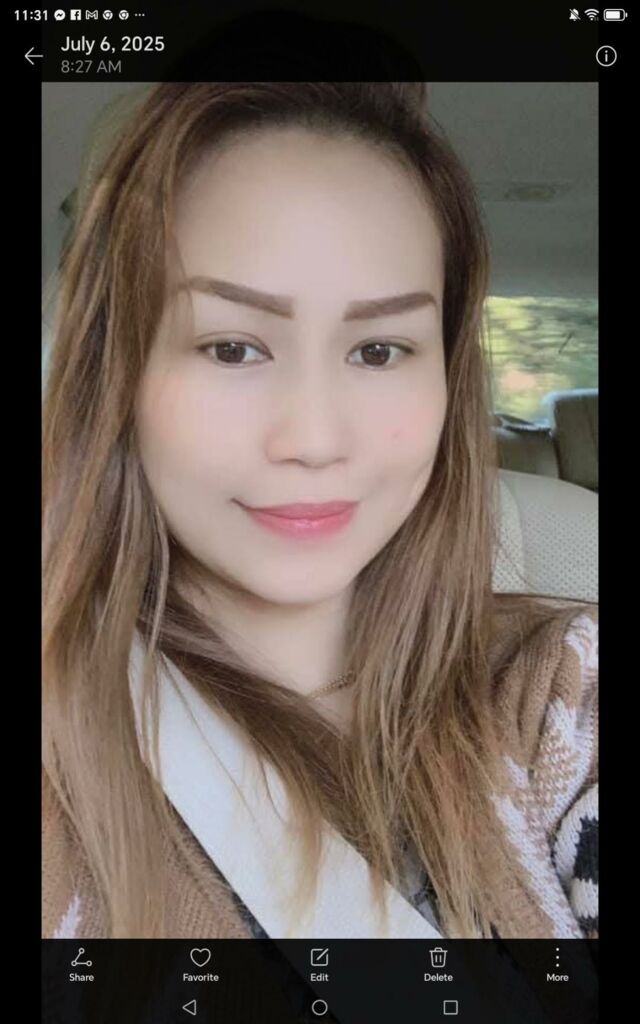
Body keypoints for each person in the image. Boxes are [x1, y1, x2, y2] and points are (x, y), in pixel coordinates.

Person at [42, 83, 597, 941]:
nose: (313, 440)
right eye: (232, 347)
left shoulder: (564, 690)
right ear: (117, 378)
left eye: (378, 351)